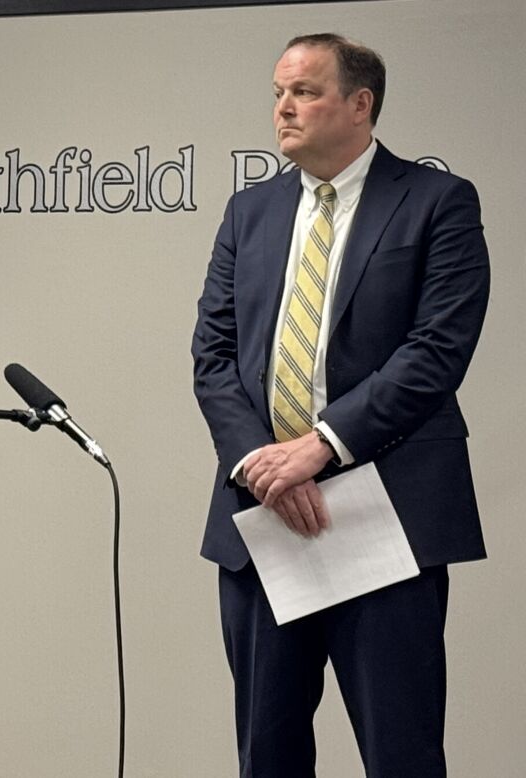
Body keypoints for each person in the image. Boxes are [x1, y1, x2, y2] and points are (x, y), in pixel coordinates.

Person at [191, 34, 489, 776]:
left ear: (361, 104)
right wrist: (266, 465)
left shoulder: (436, 202)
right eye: (277, 93)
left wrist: (320, 446)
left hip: (384, 511)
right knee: (268, 754)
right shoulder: (249, 212)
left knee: (402, 754)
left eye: (304, 92)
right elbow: (214, 356)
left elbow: (436, 352)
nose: (282, 109)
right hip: (264, 518)